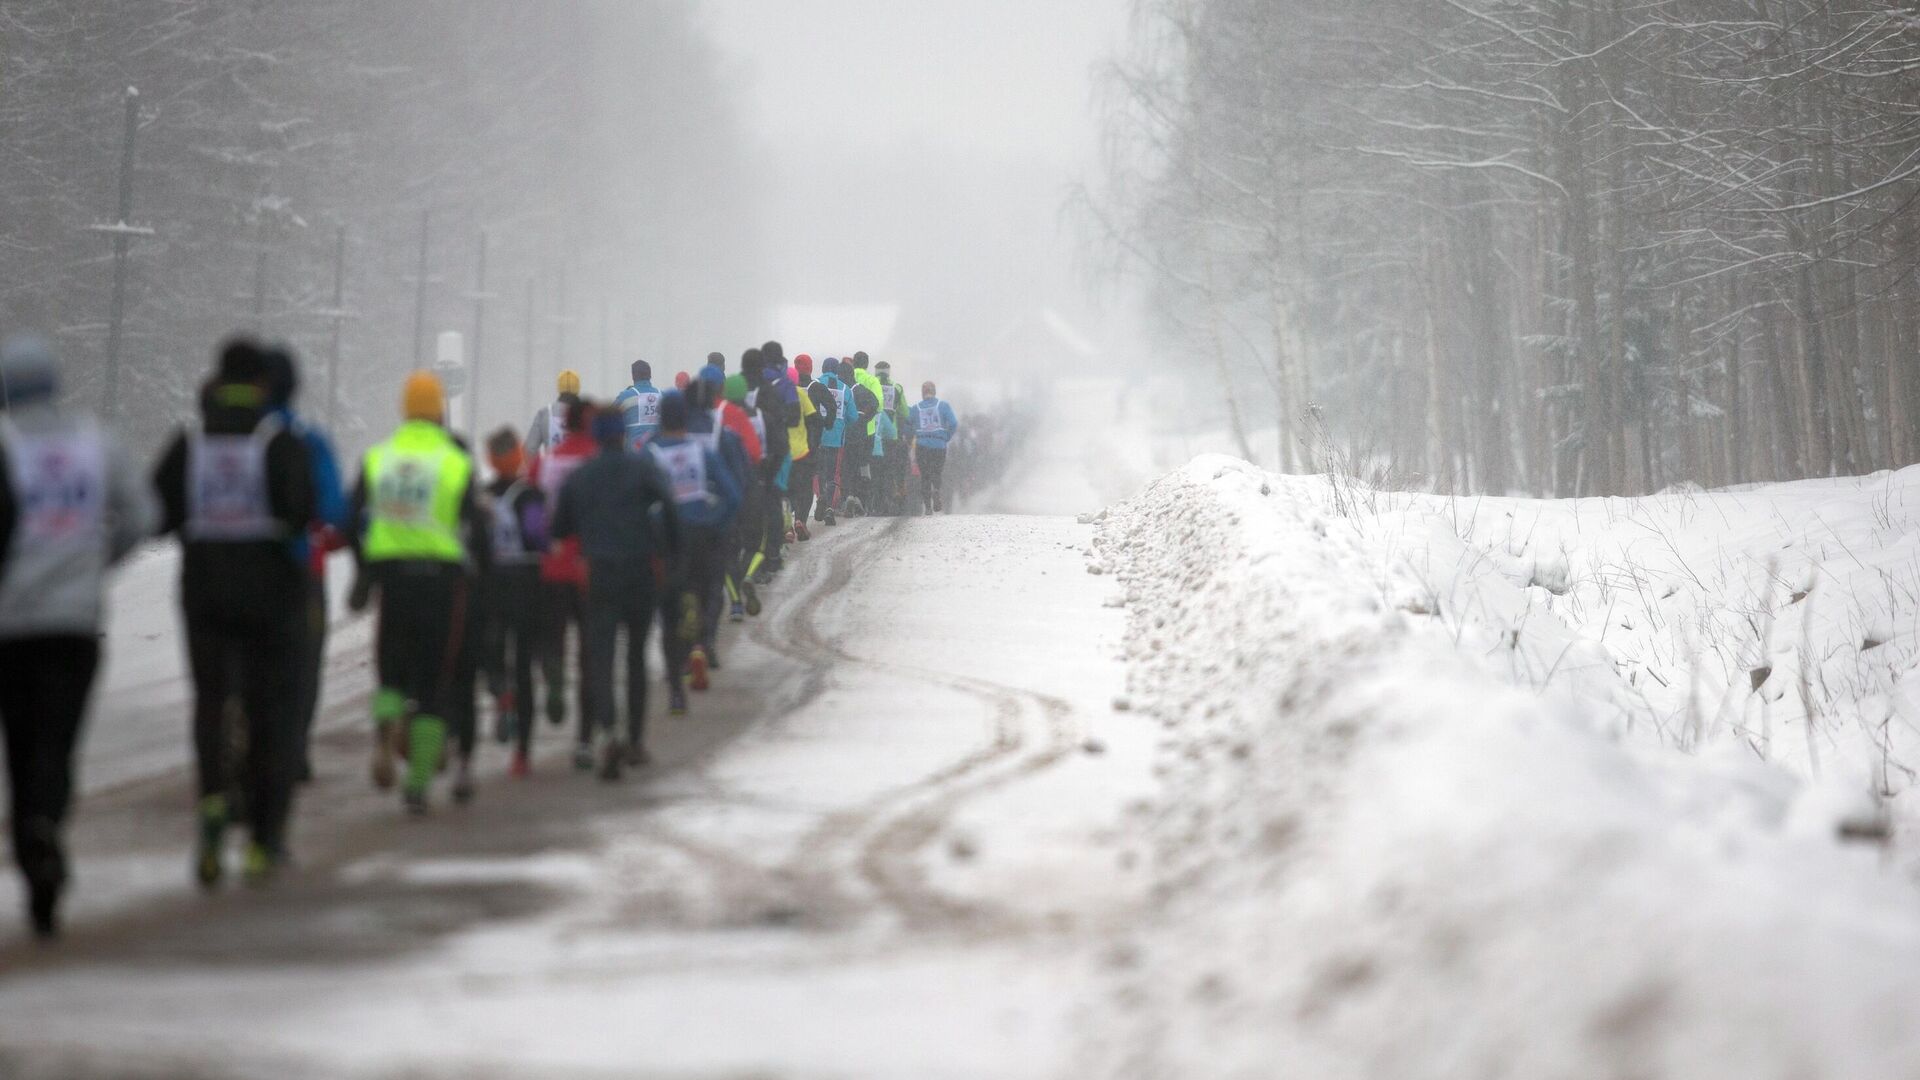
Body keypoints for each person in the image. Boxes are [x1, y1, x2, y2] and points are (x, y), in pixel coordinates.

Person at [0, 335, 156, 938]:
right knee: (58, 740)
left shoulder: (4, 444)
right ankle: (47, 825)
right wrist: (98, 560)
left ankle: (30, 840)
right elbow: (143, 515)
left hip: (10, 626)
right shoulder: (96, 443)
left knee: (19, 741)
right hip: (74, 623)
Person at [153, 339, 316, 884]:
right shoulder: (278, 441)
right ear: (263, 385)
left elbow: (160, 512)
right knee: (269, 711)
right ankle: (264, 841)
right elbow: (301, 513)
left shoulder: (190, 442)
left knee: (210, 702)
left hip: (204, 593)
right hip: (271, 598)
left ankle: (212, 807)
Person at [349, 371, 487, 815]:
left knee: (390, 665)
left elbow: (354, 518)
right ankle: (419, 782)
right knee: (433, 680)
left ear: (404, 408)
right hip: (441, 583)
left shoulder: (379, 457)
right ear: (440, 410)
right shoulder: (455, 460)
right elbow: (477, 525)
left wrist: (365, 569)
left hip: (392, 580)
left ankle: (385, 729)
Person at [551, 408, 681, 780]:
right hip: (640, 571)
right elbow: (669, 507)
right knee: (636, 655)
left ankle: (607, 731)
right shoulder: (641, 468)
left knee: (601, 656)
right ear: (622, 434)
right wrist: (670, 552)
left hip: (600, 574)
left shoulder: (582, 476)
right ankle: (636, 740)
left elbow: (559, 526)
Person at [261, 347, 349, 784]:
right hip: (300, 573)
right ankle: (292, 749)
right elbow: (335, 511)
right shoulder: (307, 442)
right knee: (302, 664)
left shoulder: (219, 440)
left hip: (232, 575)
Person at [646, 391, 740, 706]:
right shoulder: (702, 454)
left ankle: (677, 674)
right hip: (701, 534)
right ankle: (701, 643)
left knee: (669, 604)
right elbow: (733, 496)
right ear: (685, 418)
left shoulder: (650, 454)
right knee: (705, 591)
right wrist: (715, 521)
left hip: (664, 540)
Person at [530, 394, 595, 768]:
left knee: (551, 639)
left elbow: (531, 516)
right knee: (591, 656)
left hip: (552, 568)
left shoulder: (546, 463)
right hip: (591, 570)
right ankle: (584, 741)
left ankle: (553, 675)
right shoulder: (599, 462)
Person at [480, 428, 547, 778]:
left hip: (491, 584)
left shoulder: (482, 495)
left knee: (490, 650)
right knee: (524, 665)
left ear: (490, 459)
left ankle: (499, 691)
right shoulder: (530, 495)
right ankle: (522, 754)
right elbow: (539, 537)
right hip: (527, 583)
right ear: (520, 454)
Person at [792, 354, 836, 540]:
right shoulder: (816, 388)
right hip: (810, 444)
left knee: (789, 484)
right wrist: (827, 423)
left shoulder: (787, 390)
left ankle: (788, 519)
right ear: (810, 368)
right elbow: (832, 406)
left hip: (788, 445)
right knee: (806, 484)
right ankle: (801, 519)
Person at [911, 381, 960, 515]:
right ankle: (937, 490)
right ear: (934, 392)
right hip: (939, 446)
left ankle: (927, 507)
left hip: (922, 446)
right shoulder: (943, 406)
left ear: (922, 393)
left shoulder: (916, 408)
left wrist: (912, 436)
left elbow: (908, 424)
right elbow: (954, 423)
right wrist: (946, 437)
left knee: (925, 476)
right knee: (937, 472)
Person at [873, 360, 912, 515]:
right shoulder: (897, 388)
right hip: (891, 435)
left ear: (875, 371)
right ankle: (893, 493)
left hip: (874, 434)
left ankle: (878, 500)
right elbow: (905, 412)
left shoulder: (871, 385)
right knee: (890, 466)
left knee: (876, 469)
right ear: (889, 371)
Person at [524, 370, 583, 457]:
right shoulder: (586, 414)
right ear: (577, 389)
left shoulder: (544, 413)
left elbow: (529, 449)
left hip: (552, 469)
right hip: (580, 469)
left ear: (559, 388)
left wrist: (541, 468)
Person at [613, 359, 661, 450]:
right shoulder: (662, 395)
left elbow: (611, 419)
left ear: (633, 376)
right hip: (658, 453)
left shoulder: (624, 397)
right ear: (650, 375)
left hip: (634, 453)